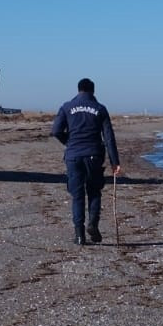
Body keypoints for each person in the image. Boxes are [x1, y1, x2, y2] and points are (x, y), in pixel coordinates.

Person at [52, 78, 122, 245]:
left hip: (73, 156)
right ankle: (93, 223)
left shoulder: (67, 107)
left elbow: (55, 131)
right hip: (94, 155)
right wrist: (115, 161)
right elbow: (109, 137)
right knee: (94, 192)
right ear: (93, 91)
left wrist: (68, 142)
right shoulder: (100, 108)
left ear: (78, 90)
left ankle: (79, 235)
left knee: (77, 195)